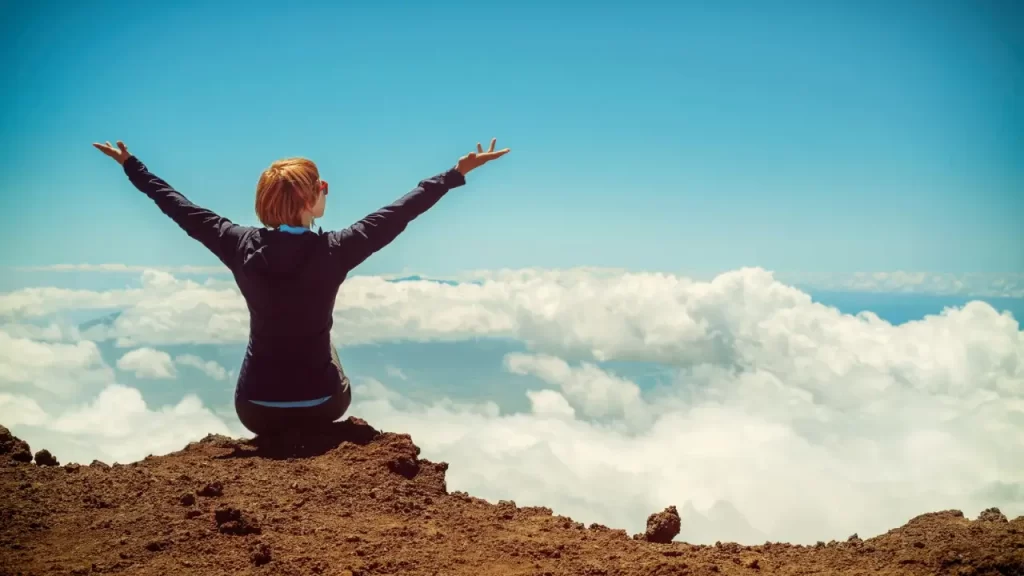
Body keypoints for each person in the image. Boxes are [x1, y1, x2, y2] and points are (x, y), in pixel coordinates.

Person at [92, 138, 510, 437]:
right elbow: (401, 211)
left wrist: (132, 165)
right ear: (310, 199)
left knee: (269, 336)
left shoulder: (234, 242)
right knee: (322, 339)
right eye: (322, 186)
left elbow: (176, 205)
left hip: (256, 411)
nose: (326, 191)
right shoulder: (338, 249)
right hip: (323, 406)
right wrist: (455, 174)